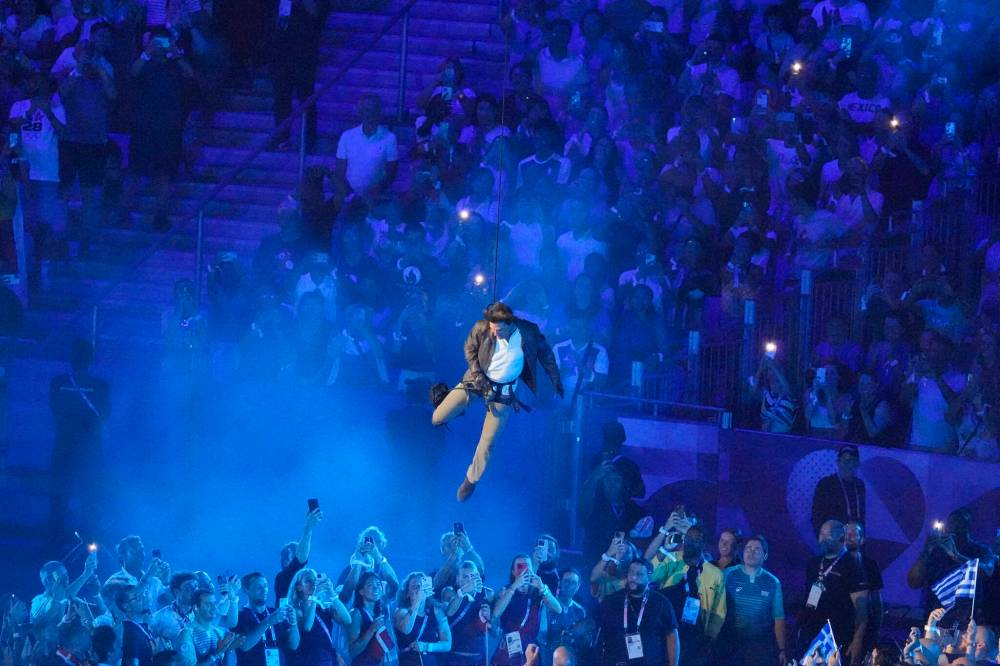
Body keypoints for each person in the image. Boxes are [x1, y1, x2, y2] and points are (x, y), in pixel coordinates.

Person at [431, 301, 563, 501]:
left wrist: (554, 379)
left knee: (488, 441)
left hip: (502, 393)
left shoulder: (527, 334)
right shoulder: (482, 328)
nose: (494, 333)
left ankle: (470, 480)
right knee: (437, 418)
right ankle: (455, 405)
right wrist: (478, 376)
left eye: (499, 329)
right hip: (476, 381)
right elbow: (469, 349)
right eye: (492, 328)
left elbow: (546, 356)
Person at [48, 337, 110, 543]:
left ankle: (54, 543)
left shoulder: (58, 383)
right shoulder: (101, 386)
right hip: (89, 449)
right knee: (89, 498)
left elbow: (56, 412)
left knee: (60, 496)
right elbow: (104, 416)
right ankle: (89, 544)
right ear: (90, 359)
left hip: (65, 447)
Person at [649, 524, 725, 665]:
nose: (689, 542)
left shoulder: (715, 574)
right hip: (668, 631)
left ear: (703, 544)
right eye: (688, 538)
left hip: (695, 637)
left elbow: (718, 611)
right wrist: (665, 550)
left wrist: (710, 639)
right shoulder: (672, 559)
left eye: (695, 539)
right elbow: (650, 576)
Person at [797, 520, 869, 666]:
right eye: (820, 534)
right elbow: (810, 599)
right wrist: (801, 626)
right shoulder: (815, 563)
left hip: (838, 635)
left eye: (826, 535)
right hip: (811, 633)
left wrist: (857, 640)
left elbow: (862, 610)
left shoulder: (852, 565)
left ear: (840, 538)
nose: (821, 539)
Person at [269, 0, 330, 151]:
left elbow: (316, 12)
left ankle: (309, 140)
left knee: (305, 95)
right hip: (280, 48)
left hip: (304, 50)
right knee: (281, 96)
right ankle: (282, 138)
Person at [597, 559, 679, 666]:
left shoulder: (661, 602)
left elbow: (672, 635)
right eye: (631, 572)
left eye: (639, 574)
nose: (633, 577)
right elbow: (596, 627)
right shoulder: (612, 600)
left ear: (649, 577)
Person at [721, 535, 787, 666]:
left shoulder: (773, 582)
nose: (751, 552)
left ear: (765, 555)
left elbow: (778, 618)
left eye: (757, 549)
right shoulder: (728, 574)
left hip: (759, 645)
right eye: (748, 548)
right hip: (731, 642)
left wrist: (782, 649)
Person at [491, 555, 562, 666]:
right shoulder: (506, 590)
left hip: (529, 645)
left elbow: (558, 609)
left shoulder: (538, 591)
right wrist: (514, 586)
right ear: (513, 572)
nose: (524, 570)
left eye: (527, 567)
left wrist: (542, 588)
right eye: (520, 566)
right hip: (510, 643)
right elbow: (495, 613)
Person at [334, 94, 399, 202]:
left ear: (379, 112)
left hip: (376, 199)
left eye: (373, 110)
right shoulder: (347, 136)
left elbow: (391, 173)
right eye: (366, 110)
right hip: (348, 197)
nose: (370, 114)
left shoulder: (390, 138)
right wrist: (350, 195)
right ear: (360, 112)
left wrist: (372, 194)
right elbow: (340, 171)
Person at [284, 568, 351, 666]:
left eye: (315, 580)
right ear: (299, 587)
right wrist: (314, 598)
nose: (313, 584)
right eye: (308, 581)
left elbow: (347, 619)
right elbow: (307, 627)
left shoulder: (322, 607)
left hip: (327, 660)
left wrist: (332, 593)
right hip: (306, 661)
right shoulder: (294, 610)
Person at [234, 571, 300, 666]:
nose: (264, 589)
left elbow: (294, 645)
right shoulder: (239, 615)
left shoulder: (276, 613)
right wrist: (268, 622)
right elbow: (244, 645)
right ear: (246, 589)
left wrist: (293, 623)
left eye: (266, 586)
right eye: (259, 587)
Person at [393, 572, 451, 665]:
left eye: (421, 586)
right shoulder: (400, 612)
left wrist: (427, 646)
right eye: (414, 586)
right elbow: (406, 629)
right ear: (407, 593)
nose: (419, 590)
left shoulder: (437, 612)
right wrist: (416, 602)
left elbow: (447, 644)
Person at [444, 560, 494, 666]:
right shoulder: (449, 591)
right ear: (457, 578)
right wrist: (463, 591)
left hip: (479, 657)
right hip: (455, 656)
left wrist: (491, 617)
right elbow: (449, 612)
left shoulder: (487, 594)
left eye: (473, 576)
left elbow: (496, 631)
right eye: (465, 576)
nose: (470, 580)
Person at [810, 445, 866, 535]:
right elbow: (816, 516)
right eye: (843, 460)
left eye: (851, 460)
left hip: (855, 540)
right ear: (838, 462)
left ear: (857, 463)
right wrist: (825, 541)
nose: (846, 464)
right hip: (833, 541)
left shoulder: (859, 485)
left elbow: (861, 515)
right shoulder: (826, 484)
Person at [844, 521, 883, 653]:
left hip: (863, 630)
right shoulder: (826, 563)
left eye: (853, 534)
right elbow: (814, 596)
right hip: (839, 626)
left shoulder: (870, 565)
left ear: (862, 540)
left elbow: (877, 602)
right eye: (845, 533)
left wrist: (876, 630)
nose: (848, 537)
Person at [348, 571, 398, 666]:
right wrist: (371, 630)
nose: (376, 588)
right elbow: (352, 651)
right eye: (370, 585)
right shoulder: (356, 614)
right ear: (361, 591)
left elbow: (395, 586)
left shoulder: (381, 611)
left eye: (378, 584)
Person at [275, 507, 323, 602]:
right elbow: (299, 559)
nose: (300, 559)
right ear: (284, 562)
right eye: (293, 558)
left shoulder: (312, 584)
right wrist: (308, 529)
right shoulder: (282, 578)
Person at [544, 569, 590, 660]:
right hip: (549, 657)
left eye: (573, 583)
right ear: (560, 583)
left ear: (578, 586)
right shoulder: (548, 606)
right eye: (566, 581)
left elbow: (581, 640)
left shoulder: (580, 611)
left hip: (570, 659)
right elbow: (542, 637)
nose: (569, 585)